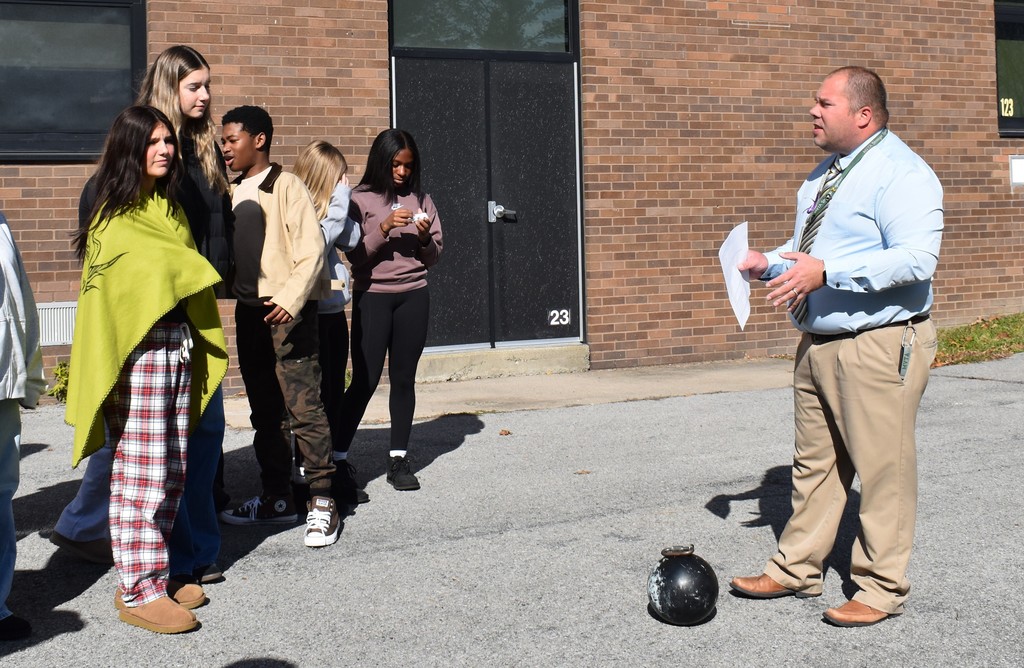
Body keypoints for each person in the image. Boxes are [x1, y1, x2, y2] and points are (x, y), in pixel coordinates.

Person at [730, 66, 942, 627]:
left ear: (863, 114)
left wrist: (828, 273)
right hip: (818, 342)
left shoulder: (902, 173)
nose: (813, 110)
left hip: (877, 343)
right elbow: (815, 249)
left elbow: (917, 259)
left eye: (825, 103)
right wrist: (767, 262)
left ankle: (880, 589)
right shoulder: (827, 173)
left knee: (883, 471)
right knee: (814, 467)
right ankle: (796, 567)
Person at [51, 45, 233, 587]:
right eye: (194, 86)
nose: (206, 96)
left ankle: (186, 555)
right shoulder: (121, 186)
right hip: (146, 331)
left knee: (189, 446)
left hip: (187, 319)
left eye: (208, 85)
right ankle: (148, 574)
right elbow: (111, 265)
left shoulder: (197, 159)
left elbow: (200, 236)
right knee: (144, 458)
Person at [217, 105, 341, 548]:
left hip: (287, 312)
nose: (225, 147)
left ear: (259, 140)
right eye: (223, 140)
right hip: (249, 312)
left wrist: (289, 300)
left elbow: (311, 250)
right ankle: (277, 497)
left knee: (304, 407)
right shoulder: (230, 191)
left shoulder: (287, 186)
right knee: (265, 412)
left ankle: (322, 500)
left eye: (232, 139)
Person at [334, 129, 443, 493]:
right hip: (373, 296)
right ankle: (337, 460)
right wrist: (383, 227)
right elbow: (355, 256)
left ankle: (398, 459)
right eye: (396, 164)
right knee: (364, 380)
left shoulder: (422, 199)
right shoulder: (359, 199)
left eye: (408, 166)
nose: (402, 172)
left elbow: (433, 257)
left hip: (414, 296)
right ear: (382, 161)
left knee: (404, 378)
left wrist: (424, 237)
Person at [291, 140, 366, 505]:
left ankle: (330, 473)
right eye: (339, 178)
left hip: (333, 316)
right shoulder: (300, 211)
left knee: (333, 394)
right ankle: (304, 476)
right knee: (312, 402)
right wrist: (339, 201)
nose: (344, 184)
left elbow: (352, 238)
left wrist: (340, 206)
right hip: (308, 319)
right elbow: (317, 245)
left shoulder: (332, 212)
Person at [0, 211, 46, 642]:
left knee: (1, 494)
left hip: (3, 384)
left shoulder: (1, 225)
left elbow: (20, 301)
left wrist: (28, 376)